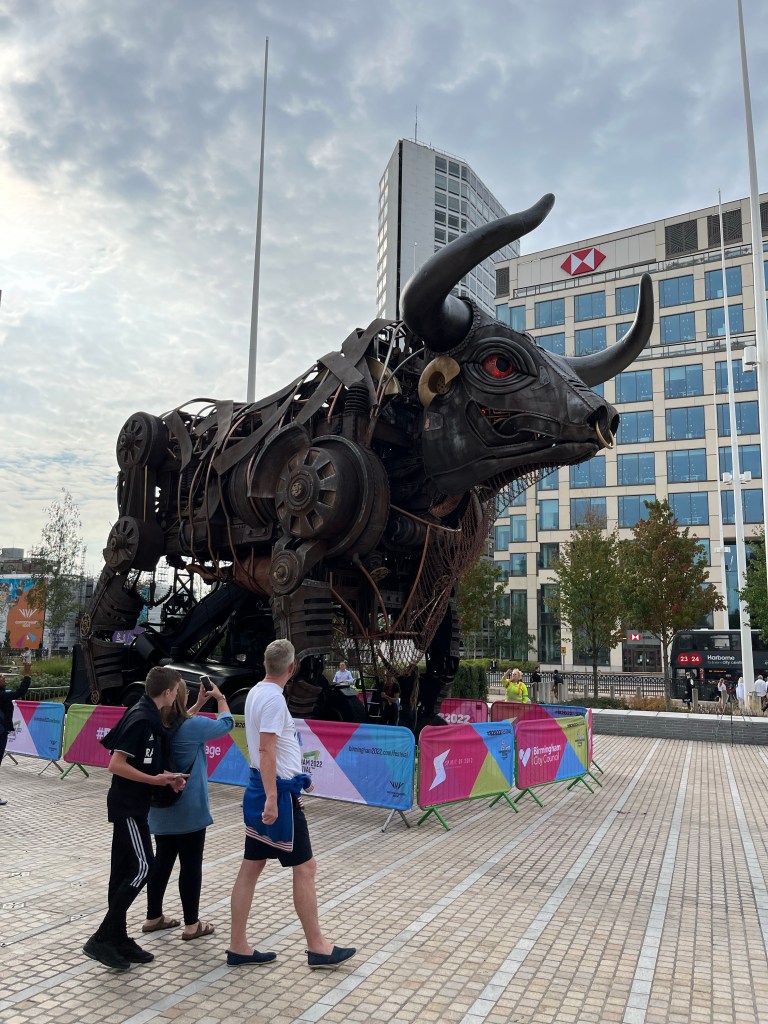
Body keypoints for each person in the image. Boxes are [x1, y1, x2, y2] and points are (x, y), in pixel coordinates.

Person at [228, 638, 356, 970]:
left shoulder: (256, 692)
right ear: (292, 667)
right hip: (277, 794)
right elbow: (266, 748)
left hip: (262, 787)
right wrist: (273, 798)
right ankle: (318, 947)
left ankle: (238, 945)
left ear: (265, 664)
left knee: (251, 866)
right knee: (306, 867)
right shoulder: (272, 699)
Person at [82, 667, 188, 972]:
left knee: (121, 873)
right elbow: (116, 764)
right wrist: (155, 781)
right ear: (167, 692)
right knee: (144, 867)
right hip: (127, 806)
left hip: (135, 805)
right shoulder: (141, 718)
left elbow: (144, 763)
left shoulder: (148, 715)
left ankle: (118, 937)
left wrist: (165, 778)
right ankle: (102, 938)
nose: (176, 696)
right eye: (176, 691)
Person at [143, 678, 234, 941]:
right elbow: (226, 724)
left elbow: (180, 721)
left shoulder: (157, 723)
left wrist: (198, 704)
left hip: (160, 805)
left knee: (162, 861)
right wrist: (220, 698)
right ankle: (192, 924)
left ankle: (153, 916)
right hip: (189, 807)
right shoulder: (194, 727)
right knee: (191, 864)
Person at [0, 672, 31, 805]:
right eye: (0, 677)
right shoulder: (2, 695)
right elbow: (20, 692)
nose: (4, 678)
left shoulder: (3, 694)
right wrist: (27, 677)